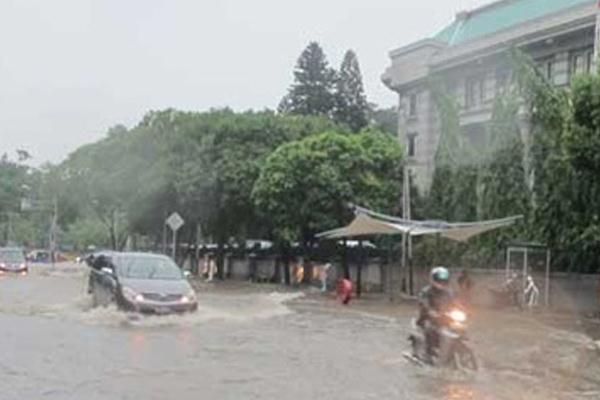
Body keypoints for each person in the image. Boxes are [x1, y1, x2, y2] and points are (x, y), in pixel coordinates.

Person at [416, 266, 455, 363]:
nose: (441, 283)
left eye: (444, 281)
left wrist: (464, 311)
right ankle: (428, 354)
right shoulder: (426, 291)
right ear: (433, 279)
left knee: (460, 328)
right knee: (430, 329)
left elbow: (455, 303)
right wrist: (430, 311)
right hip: (428, 318)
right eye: (439, 280)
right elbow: (423, 303)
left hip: (444, 318)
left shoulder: (448, 292)